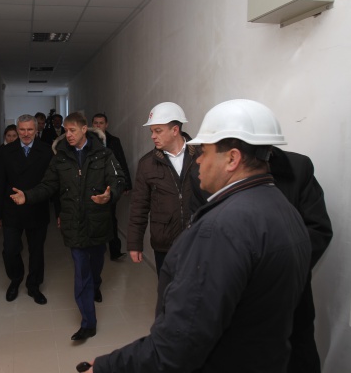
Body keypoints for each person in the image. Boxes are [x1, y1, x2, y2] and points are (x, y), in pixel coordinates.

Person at [80, 98, 311, 372]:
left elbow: (179, 343)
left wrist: (107, 367)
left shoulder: (222, 229)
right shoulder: (283, 207)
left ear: (232, 159)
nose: (198, 160)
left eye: (205, 152)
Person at [10, 112, 126, 341]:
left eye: (72, 130)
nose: (68, 135)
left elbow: (118, 179)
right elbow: (47, 185)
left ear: (84, 129)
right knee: (81, 272)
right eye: (66, 130)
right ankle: (88, 323)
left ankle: (96, 284)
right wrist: (28, 196)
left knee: (95, 264)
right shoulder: (60, 157)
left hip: (97, 221)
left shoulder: (104, 154)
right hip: (73, 223)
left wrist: (110, 194)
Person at [269, 146, 333, 373]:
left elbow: (318, 230)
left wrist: (275, 271)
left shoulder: (297, 168)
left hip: (292, 301)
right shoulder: (207, 172)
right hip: (238, 309)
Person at [126, 102, 207, 275]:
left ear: (175, 130)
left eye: (158, 131)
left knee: (198, 287)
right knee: (168, 288)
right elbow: (139, 206)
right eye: (152, 131)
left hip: (198, 241)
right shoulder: (147, 164)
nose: (153, 136)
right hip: (165, 245)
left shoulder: (203, 155)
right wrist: (135, 243)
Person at [0, 115, 54, 305]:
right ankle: (15, 279)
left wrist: (60, 212)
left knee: (37, 251)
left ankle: (34, 285)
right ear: (17, 130)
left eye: (30, 129)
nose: (26, 134)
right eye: (22, 130)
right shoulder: (5, 152)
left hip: (37, 208)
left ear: (37, 130)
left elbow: (53, 183)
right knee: (10, 250)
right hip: (11, 210)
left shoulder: (47, 151)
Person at [91, 113, 133, 261]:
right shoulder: (87, 141)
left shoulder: (114, 141)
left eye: (101, 123)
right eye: (95, 123)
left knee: (110, 218)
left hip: (110, 186)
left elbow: (121, 161)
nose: (98, 125)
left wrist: (126, 183)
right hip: (92, 186)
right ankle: (96, 249)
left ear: (106, 125)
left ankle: (115, 251)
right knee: (95, 218)